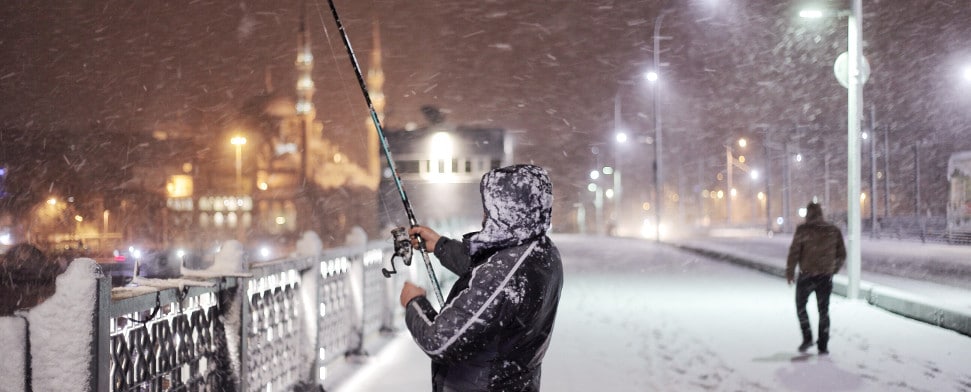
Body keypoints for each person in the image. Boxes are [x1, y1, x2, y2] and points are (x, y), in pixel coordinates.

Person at [400, 164, 564, 392]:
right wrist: (440, 246)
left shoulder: (502, 273)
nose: (485, 215)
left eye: (490, 207)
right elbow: (490, 275)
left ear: (508, 209)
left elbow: (439, 342)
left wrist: (414, 303)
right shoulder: (542, 251)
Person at [785, 202, 846, 355]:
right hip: (825, 277)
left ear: (808, 214)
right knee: (823, 310)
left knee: (800, 307)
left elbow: (794, 252)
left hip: (807, 275)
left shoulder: (803, 230)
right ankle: (823, 344)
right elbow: (842, 254)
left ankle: (807, 337)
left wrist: (790, 272)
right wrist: (833, 269)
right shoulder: (833, 230)